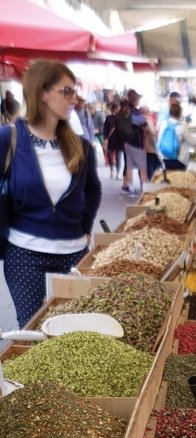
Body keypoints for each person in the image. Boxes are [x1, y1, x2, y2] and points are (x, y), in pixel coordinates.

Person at [0, 60, 100, 328]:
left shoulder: (80, 147)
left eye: (74, 91)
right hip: (25, 255)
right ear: (42, 92)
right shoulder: (7, 139)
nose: (73, 99)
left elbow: (93, 190)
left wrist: (86, 228)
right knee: (33, 332)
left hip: (74, 254)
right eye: (66, 91)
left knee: (76, 332)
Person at [120, 88, 147, 194]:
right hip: (136, 143)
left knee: (129, 165)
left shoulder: (123, 111)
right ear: (135, 100)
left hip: (126, 142)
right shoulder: (136, 112)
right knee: (142, 167)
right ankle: (145, 189)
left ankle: (131, 188)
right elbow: (144, 125)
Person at [158, 101, 196, 170]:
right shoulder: (182, 126)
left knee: (170, 177)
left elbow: (160, 139)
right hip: (179, 159)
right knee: (179, 178)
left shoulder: (163, 124)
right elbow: (192, 141)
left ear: (170, 113)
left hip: (165, 156)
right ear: (180, 114)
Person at [141, 105, 162, 182]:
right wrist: (156, 132)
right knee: (152, 165)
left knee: (151, 164)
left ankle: (150, 180)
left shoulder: (141, 119)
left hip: (147, 146)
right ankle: (152, 180)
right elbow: (152, 132)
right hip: (150, 146)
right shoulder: (146, 120)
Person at [103, 101, 123, 179]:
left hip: (119, 140)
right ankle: (112, 170)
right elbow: (105, 129)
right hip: (111, 139)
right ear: (115, 109)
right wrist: (105, 138)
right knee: (110, 156)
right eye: (118, 109)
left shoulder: (121, 118)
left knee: (119, 157)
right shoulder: (108, 118)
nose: (119, 110)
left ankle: (118, 173)